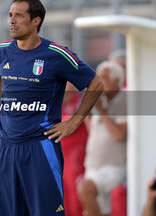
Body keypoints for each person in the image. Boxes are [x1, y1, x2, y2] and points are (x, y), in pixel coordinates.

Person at [0, 0, 103, 216]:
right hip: (5, 148)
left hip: (39, 147)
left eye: (19, 16)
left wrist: (74, 122)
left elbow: (96, 83)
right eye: (10, 15)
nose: (12, 21)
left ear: (35, 21)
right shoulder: (0, 51)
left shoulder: (56, 55)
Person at [77, 61, 127, 216]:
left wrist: (101, 111)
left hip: (113, 167)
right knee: (100, 211)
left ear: (116, 81)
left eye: (103, 77)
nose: (99, 80)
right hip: (93, 166)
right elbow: (94, 132)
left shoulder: (123, 101)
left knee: (84, 189)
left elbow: (119, 135)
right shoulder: (102, 101)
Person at [61, 82, 89, 216]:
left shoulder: (81, 101)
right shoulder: (53, 101)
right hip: (58, 153)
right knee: (61, 193)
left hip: (76, 152)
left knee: (75, 192)